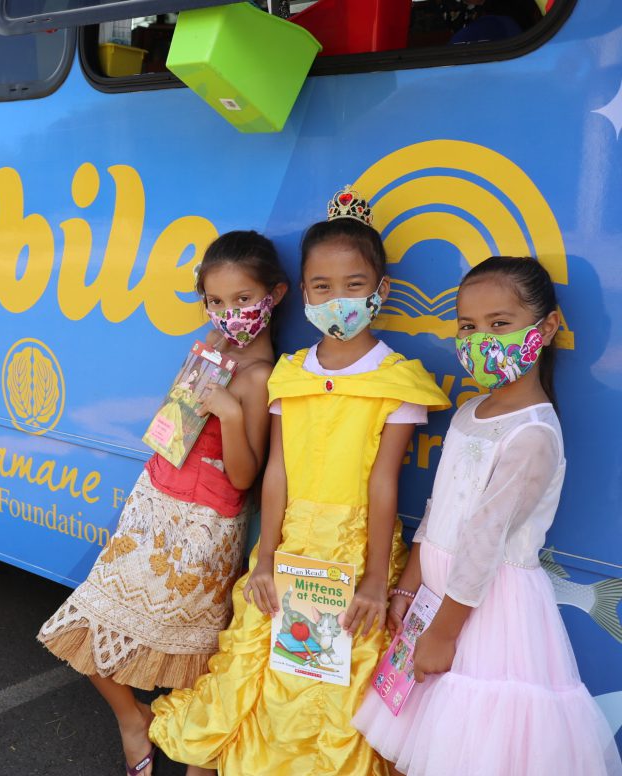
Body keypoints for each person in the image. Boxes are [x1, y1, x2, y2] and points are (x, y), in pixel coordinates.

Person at [149, 187, 450, 776]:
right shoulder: (289, 372)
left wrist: (371, 580)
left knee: (335, 684)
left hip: (353, 555)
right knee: (253, 672)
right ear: (304, 293)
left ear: (380, 290)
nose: (338, 300)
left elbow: (385, 484)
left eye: (354, 286)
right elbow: (278, 470)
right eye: (322, 287)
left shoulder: (396, 381)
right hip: (287, 551)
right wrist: (264, 561)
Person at [353, 256, 622, 776]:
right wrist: (409, 591)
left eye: (500, 324)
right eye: (468, 327)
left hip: (487, 613)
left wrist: (444, 633)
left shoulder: (534, 435)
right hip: (438, 600)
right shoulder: (469, 411)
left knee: (472, 749)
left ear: (545, 329)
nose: (482, 340)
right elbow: (439, 512)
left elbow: (484, 540)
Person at [37, 230, 288, 776]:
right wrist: (200, 372)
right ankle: (134, 720)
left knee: (193, 649)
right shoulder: (213, 350)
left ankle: (197, 749)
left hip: (206, 526)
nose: (228, 313)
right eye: (216, 302)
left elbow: (246, 474)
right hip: (154, 500)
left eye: (243, 300)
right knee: (89, 617)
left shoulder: (263, 378)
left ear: (276, 295)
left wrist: (226, 410)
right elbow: (169, 431)